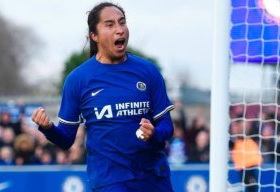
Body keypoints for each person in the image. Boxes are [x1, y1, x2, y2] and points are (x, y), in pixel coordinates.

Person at [32, 2, 175, 192]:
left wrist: (154, 133)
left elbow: (167, 126)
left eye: (122, 23)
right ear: (94, 36)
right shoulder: (78, 80)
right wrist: (48, 128)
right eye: (110, 25)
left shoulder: (148, 71)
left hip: (154, 180)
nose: (119, 30)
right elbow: (66, 139)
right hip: (110, 182)